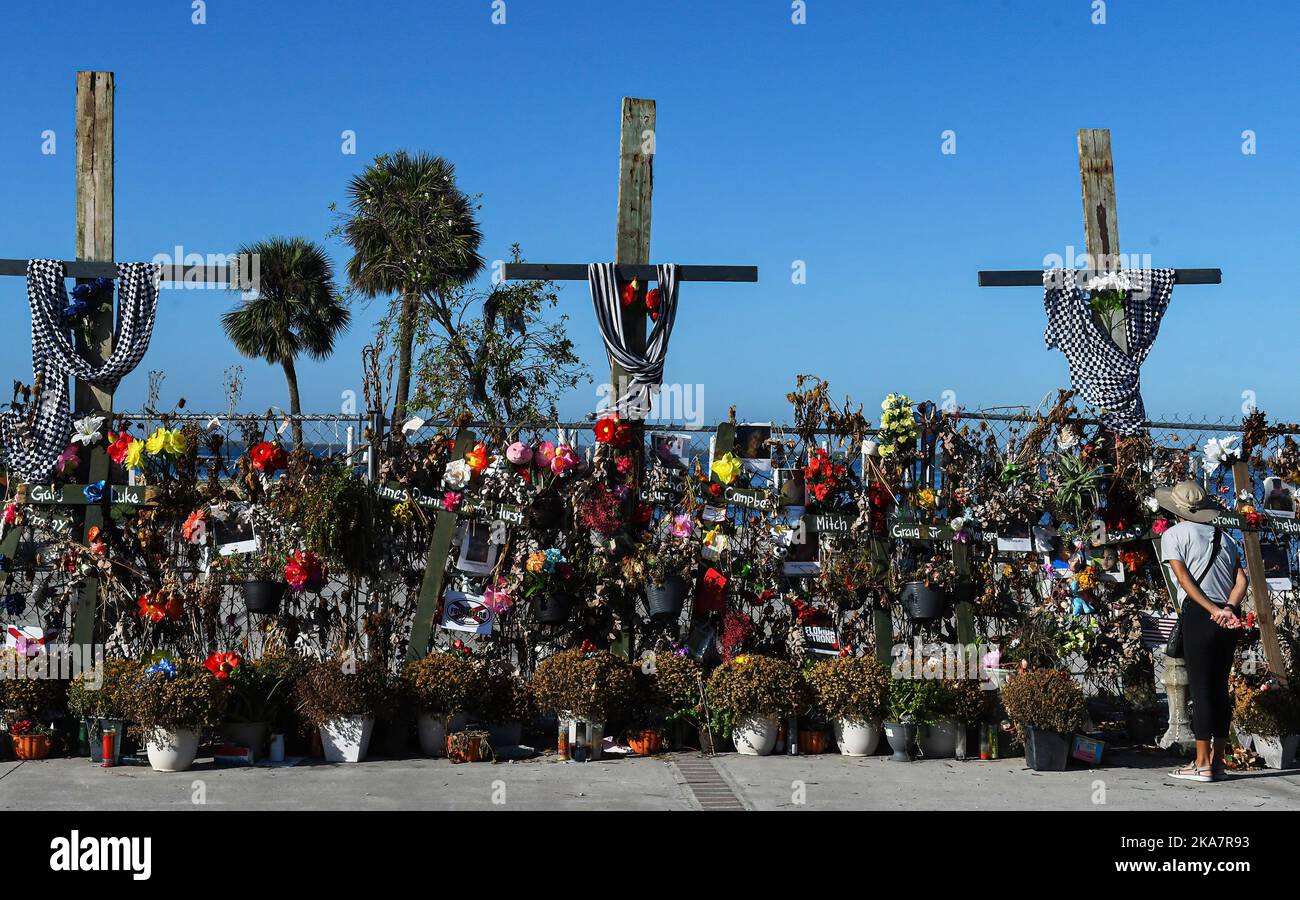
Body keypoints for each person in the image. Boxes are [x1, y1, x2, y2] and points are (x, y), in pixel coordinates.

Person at [1155, 480, 1247, 783]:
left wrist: (1211, 610)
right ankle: (1218, 761)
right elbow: (1241, 580)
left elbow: (1184, 580)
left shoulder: (1173, 535)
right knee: (1219, 688)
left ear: (1175, 509)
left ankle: (1201, 763)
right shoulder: (1225, 537)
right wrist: (1229, 609)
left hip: (1201, 613)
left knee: (1201, 688)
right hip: (1228, 617)